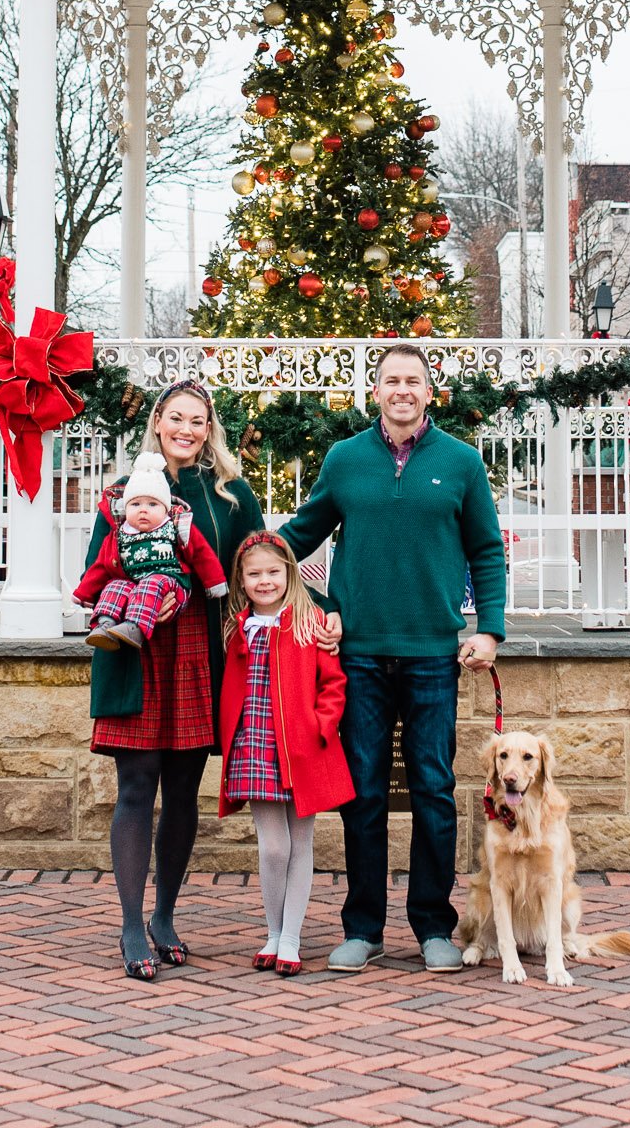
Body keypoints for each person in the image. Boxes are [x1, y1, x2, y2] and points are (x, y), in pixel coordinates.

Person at [278, 343, 506, 974]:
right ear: (375, 391)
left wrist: (490, 631)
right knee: (364, 794)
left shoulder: (460, 463)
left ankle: (434, 925)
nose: (402, 390)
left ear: (429, 392)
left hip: (435, 654)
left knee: (434, 790)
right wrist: (322, 598)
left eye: (414, 381)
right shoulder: (346, 460)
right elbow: (299, 536)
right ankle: (364, 927)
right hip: (360, 657)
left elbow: (486, 552)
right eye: (391, 381)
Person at [84, 381, 263, 981]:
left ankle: (164, 916)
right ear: (158, 422)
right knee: (136, 788)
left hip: (195, 651)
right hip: (134, 651)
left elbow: (262, 561)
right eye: (176, 418)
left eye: (198, 421)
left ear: (208, 429)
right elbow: (94, 569)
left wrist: (322, 608)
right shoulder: (122, 493)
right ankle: (131, 924)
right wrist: (118, 601)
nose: (186, 429)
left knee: (184, 791)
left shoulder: (229, 495)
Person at [218, 531, 354, 976]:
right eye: (254, 574)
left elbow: (333, 684)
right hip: (255, 744)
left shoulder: (309, 620)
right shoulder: (238, 627)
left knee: (301, 842)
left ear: (289, 573)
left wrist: (322, 725)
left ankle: (291, 939)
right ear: (241, 579)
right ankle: (273, 931)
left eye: (273, 572)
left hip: (302, 746)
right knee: (273, 847)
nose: (265, 581)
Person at [74, 451, 227, 648]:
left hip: (172, 584)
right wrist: (83, 594)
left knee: (152, 583)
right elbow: (100, 566)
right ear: (126, 508)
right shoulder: (119, 534)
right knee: (116, 585)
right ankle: (105, 624)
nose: (143, 510)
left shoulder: (176, 525)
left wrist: (215, 583)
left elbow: (201, 554)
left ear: (165, 508)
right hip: (134, 585)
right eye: (135, 504)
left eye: (153, 504)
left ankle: (134, 627)